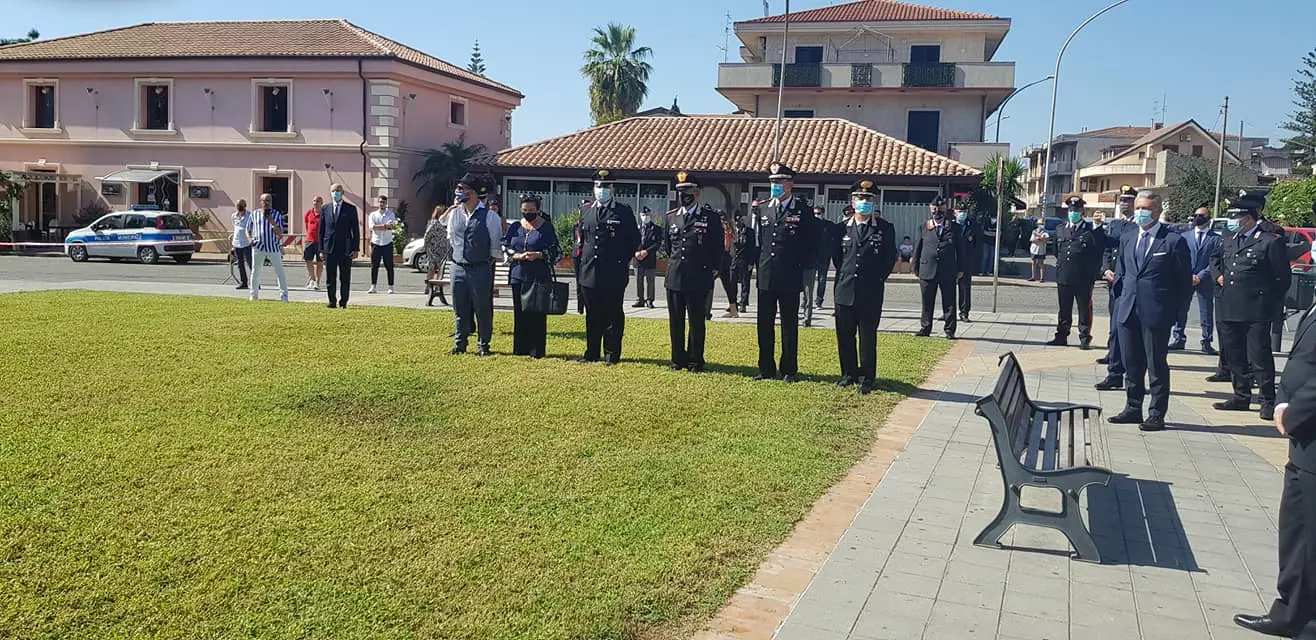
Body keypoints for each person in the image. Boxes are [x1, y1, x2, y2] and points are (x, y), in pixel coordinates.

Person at [1232, 298, 1316, 639]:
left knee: (1310, 535)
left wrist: (1293, 413)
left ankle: (1307, 622)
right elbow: (1300, 360)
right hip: (1303, 440)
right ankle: (1290, 613)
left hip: (1308, 429)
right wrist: (1282, 400)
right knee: (1297, 530)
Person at [1105, 191, 1192, 432]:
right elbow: (1121, 271)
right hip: (1128, 310)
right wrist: (1120, 300)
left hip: (1156, 313)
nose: (1141, 213)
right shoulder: (1128, 236)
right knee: (1131, 362)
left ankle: (1156, 413)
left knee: (1156, 364)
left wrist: (1173, 314)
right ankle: (1133, 407)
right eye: (1138, 208)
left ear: (1157, 211)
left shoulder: (1173, 241)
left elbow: (1183, 283)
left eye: (1146, 209)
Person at [1211, 190, 1290, 421]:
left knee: (1259, 356)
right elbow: (1218, 262)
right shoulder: (1229, 239)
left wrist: (1268, 302)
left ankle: (1267, 399)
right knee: (1234, 354)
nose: (1233, 221)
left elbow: (1282, 278)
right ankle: (1241, 395)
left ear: (1249, 218)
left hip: (1256, 308)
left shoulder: (1269, 241)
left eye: (1237, 217)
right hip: (1230, 305)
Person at [833, 179, 897, 395]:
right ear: (852, 201)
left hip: (870, 292)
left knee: (868, 337)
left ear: (874, 201)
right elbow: (837, 258)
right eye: (860, 198)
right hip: (845, 290)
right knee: (844, 335)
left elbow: (889, 258)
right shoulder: (840, 228)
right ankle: (848, 373)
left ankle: (867, 377)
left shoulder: (885, 229)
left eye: (868, 199)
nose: (863, 202)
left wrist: (877, 279)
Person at [754, 162, 815, 382]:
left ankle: (789, 369)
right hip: (766, 275)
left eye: (779, 182)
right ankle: (766, 368)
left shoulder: (802, 210)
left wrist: (801, 268)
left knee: (789, 325)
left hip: (790, 275)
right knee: (764, 324)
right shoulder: (762, 208)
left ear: (789, 184)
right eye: (772, 182)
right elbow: (759, 243)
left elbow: (811, 244)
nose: (775, 186)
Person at [662, 171, 724, 372]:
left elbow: (717, 248)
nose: (683, 195)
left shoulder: (710, 218)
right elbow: (669, 247)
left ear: (696, 193)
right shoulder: (671, 217)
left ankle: (696, 360)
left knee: (697, 322)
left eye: (687, 191)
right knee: (676, 322)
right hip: (675, 277)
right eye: (680, 191)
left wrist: (712, 270)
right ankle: (677, 359)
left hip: (699, 277)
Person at [577, 169, 640, 365]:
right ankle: (592, 352)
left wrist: (621, 261)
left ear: (613, 189)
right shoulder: (586, 210)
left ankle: (611, 354)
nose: (601, 190)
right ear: (593, 188)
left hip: (613, 272)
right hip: (589, 271)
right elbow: (581, 239)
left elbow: (634, 240)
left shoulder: (623, 211)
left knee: (612, 313)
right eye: (598, 186)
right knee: (592, 314)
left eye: (605, 186)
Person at [446, 174, 503, 356]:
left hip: (480, 268)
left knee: (482, 307)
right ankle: (460, 343)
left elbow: (495, 243)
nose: (460, 194)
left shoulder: (489, 216)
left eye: (464, 190)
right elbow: (449, 236)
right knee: (459, 306)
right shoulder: (455, 213)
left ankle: (483, 344)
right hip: (458, 266)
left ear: (474, 194)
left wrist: (488, 261)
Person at [503, 195, 561, 359]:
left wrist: (540, 254)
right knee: (519, 313)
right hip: (518, 275)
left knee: (536, 314)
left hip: (539, 276)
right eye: (525, 210)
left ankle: (536, 350)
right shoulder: (515, 227)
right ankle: (520, 349)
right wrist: (517, 256)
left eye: (531, 210)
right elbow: (505, 247)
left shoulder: (546, 227)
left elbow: (557, 252)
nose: (528, 213)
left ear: (538, 210)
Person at [1095, 185, 1139, 390]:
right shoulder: (1116, 224)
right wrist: (1105, 270)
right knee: (1115, 328)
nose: (1124, 203)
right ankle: (1114, 371)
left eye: (1128, 200)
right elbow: (1107, 250)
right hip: (1115, 282)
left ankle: (1131, 374)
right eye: (1122, 200)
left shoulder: (1138, 226)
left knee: (1128, 331)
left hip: (1131, 284)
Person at [1046, 195, 1103, 350]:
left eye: (1076, 210)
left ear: (1082, 211)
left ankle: (1084, 337)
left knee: (1084, 309)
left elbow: (1098, 250)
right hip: (1064, 275)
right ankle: (1061, 336)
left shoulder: (1090, 230)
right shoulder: (1060, 229)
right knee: (1064, 309)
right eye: (1071, 210)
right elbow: (1056, 251)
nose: (1073, 212)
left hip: (1084, 277)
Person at [1171, 205, 1222, 353]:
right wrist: (1188, 275)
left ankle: (1206, 340)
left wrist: (1200, 276)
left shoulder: (1216, 239)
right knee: (1181, 309)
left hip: (1205, 279)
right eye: (1196, 215)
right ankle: (1178, 338)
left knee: (1206, 310)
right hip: (1186, 278)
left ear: (1208, 218)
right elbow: (1180, 258)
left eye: (1202, 216)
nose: (1198, 218)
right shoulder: (1185, 236)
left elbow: (1214, 261)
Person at [913, 197, 966, 339]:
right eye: (934, 208)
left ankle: (949, 330)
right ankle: (925, 327)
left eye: (940, 208)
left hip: (947, 270)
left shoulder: (954, 228)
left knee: (949, 302)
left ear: (945, 210)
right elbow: (918, 247)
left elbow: (960, 250)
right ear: (931, 209)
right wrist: (915, 266)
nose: (937, 211)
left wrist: (961, 268)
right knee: (927, 301)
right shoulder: (924, 226)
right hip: (927, 269)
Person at [318, 183, 359, 309]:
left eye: (338, 190)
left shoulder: (350, 209)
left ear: (342, 193)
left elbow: (355, 230)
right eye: (333, 190)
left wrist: (355, 248)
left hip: (345, 248)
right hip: (329, 247)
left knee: (345, 277)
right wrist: (321, 249)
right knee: (330, 276)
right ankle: (332, 301)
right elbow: (321, 230)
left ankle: (343, 301)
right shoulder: (325, 209)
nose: (335, 193)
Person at [247, 192, 289, 303]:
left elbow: (280, 233)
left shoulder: (277, 214)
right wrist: (249, 239)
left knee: (280, 272)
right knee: (255, 271)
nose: (266, 203)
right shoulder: (254, 214)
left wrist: (272, 222)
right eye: (264, 200)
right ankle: (253, 295)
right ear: (260, 202)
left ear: (271, 202)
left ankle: (284, 296)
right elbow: (248, 229)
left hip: (273, 247)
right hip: (258, 246)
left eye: (268, 200)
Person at [955, 201, 981, 322]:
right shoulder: (950, 225)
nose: (962, 214)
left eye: (964, 211)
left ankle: (964, 312)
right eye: (960, 211)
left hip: (966, 261)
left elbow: (977, 245)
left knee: (965, 288)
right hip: (952, 260)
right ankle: (948, 311)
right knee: (949, 287)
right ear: (955, 212)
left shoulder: (973, 225)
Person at [632, 206, 663, 309]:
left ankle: (650, 300)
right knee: (638, 281)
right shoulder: (636, 228)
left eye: (647, 215)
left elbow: (657, 243)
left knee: (650, 281)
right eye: (643, 215)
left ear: (651, 215)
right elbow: (631, 242)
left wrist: (647, 251)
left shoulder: (656, 229)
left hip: (650, 258)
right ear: (640, 216)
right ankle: (639, 299)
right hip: (638, 259)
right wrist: (635, 252)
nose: (645, 217)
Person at [367, 194, 397, 295]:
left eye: (383, 202)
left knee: (389, 266)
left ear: (386, 203)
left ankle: (391, 286)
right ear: (378, 203)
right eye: (380, 202)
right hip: (376, 242)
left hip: (387, 243)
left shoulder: (390, 214)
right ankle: (373, 286)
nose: (381, 204)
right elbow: (372, 227)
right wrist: (384, 226)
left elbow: (390, 226)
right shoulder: (373, 215)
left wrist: (380, 226)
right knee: (374, 266)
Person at [730, 210, 757, 314]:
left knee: (745, 283)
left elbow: (753, 248)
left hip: (745, 260)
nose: (737, 222)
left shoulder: (749, 232)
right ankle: (733, 304)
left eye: (739, 219)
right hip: (733, 261)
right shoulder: (732, 231)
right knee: (732, 283)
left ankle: (743, 304)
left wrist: (751, 262)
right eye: (736, 220)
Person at [813, 210, 839, 311]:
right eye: (815, 213)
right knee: (808, 281)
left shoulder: (829, 225)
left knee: (822, 279)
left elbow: (834, 239)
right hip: (812, 256)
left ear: (823, 213)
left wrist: (830, 251)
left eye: (819, 213)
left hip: (824, 256)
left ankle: (819, 301)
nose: (817, 215)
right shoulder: (811, 223)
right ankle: (806, 301)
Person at [231, 199, 253, 291]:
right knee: (240, 264)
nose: (239, 207)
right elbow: (235, 227)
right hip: (237, 243)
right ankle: (243, 282)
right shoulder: (234, 216)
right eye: (238, 205)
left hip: (247, 243)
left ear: (245, 205)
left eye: (241, 205)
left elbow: (252, 227)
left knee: (251, 264)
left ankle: (255, 283)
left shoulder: (250, 215)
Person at [303, 195, 323, 290]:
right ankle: (312, 279)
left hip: (320, 241)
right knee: (308, 260)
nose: (316, 202)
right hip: (309, 240)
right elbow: (307, 225)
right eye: (314, 201)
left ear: (321, 203)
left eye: (318, 201)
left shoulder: (324, 213)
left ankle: (317, 282)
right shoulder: (309, 213)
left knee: (320, 261)